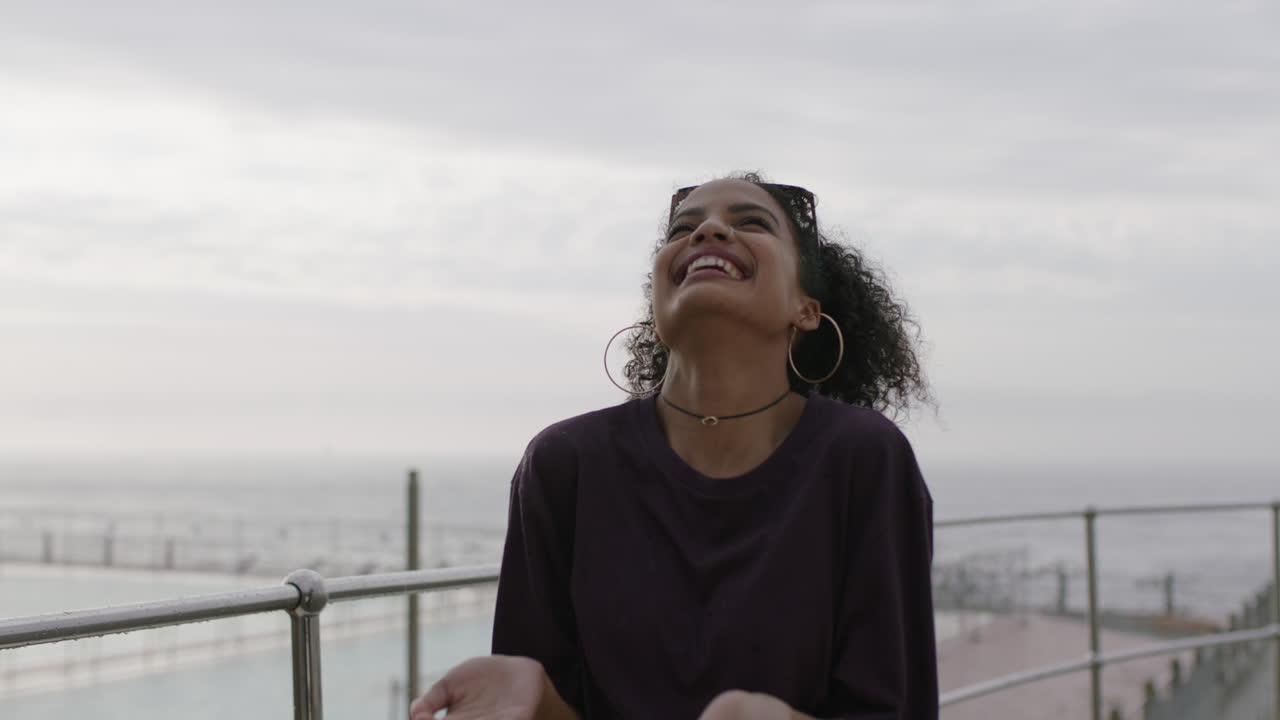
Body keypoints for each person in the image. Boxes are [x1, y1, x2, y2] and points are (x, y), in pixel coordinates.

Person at [411, 173, 937, 720]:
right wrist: (541, 702)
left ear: (805, 308)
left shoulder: (863, 457)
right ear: (656, 309)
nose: (707, 231)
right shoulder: (564, 464)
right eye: (683, 228)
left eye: (751, 222)